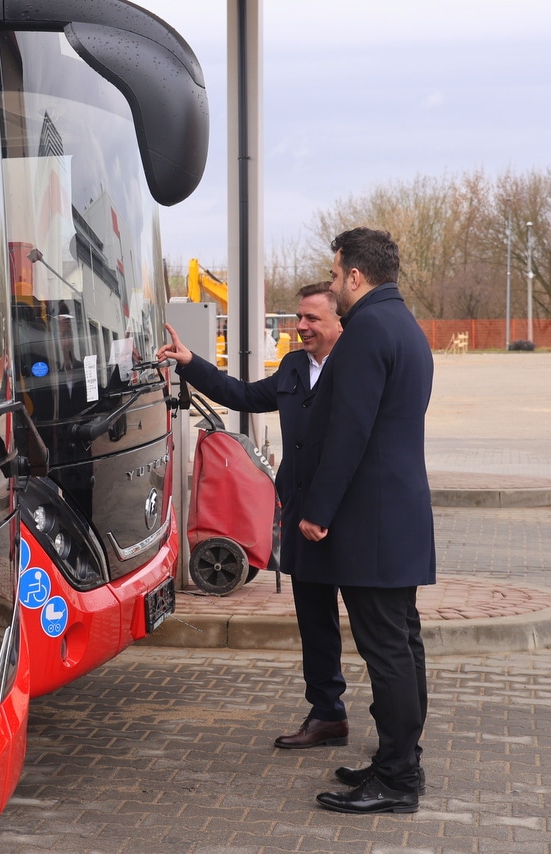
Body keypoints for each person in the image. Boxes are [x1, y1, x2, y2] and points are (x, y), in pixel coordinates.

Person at [157, 282, 350, 749]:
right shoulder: (293, 367)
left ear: (340, 322)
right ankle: (328, 714)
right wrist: (191, 363)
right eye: (299, 318)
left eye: (312, 318)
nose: (301, 326)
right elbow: (241, 394)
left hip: (349, 513)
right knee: (315, 621)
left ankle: (395, 732)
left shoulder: (357, 366)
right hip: (302, 516)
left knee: (370, 624)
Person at [296, 227, 435, 814]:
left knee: (387, 653)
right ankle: (400, 762)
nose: (333, 285)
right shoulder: (406, 325)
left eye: (334, 275)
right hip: (398, 516)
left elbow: (349, 431)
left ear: (355, 275)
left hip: (370, 522)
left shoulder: (366, 330)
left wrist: (318, 510)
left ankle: (397, 781)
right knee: (403, 644)